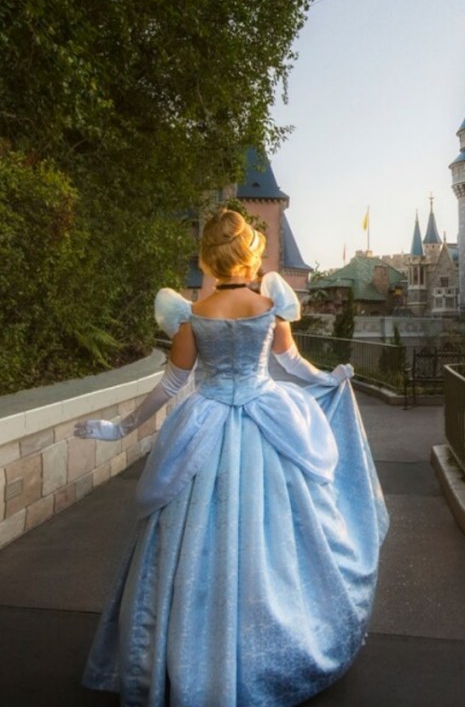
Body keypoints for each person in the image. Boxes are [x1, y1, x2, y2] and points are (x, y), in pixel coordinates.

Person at [75, 208, 388, 706]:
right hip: (269, 420)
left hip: (205, 424)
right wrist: (330, 379)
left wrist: (122, 427)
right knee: (284, 537)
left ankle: (184, 652)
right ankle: (275, 646)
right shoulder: (270, 304)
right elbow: (291, 364)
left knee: (187, 535)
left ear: (209, 258)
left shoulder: (192, 314)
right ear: (250, 254)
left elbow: (174, 382)